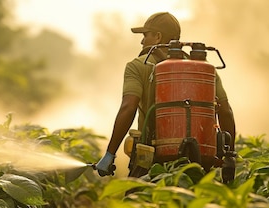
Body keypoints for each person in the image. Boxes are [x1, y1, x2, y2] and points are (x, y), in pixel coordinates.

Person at [95, 12, 236, 177]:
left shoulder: (138, 66)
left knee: (135, 200)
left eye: (145, 35)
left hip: (151, 158)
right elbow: (225, 111)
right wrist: (229, 155)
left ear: (157, 37)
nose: (142, 41)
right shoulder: (203, 68)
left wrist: (110, 154)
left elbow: (128, 107)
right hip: (200, 159)